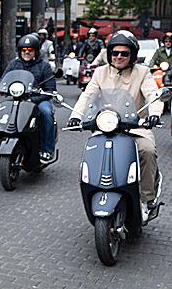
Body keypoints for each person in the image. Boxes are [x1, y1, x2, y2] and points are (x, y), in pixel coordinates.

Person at [67, 30, 163, 224]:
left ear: (132, 55)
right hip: (105, 127)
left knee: (147, 150)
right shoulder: (100, 72)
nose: (119, 56)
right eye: (115, 53)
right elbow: (87, 95)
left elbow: (153, 95)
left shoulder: (142, 73)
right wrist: (76, 116)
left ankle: (146, 199)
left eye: (124, 53)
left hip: (135, 127)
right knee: (92, 152)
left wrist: (154, 114)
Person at [3, 33, 57, 163]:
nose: (26, 52)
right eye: (24, 50)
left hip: (39, 100)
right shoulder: (14, 64)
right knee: (3, 111)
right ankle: (4, 141)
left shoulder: (44, 66)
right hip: (18, 99)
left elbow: (50, 90)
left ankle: (47, 150)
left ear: (36, 51)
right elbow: (4, 80)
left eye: (30, 50)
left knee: (46, 113)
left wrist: (33, 99)